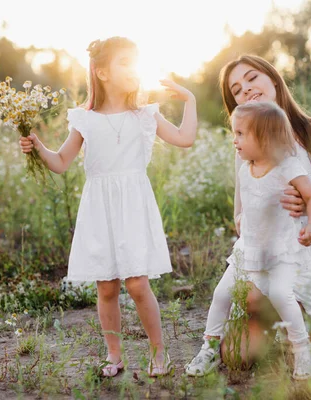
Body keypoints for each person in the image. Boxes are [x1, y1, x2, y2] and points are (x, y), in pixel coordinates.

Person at [18, 36, 197, 377]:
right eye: (125, 63)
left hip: (132, 204)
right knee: (107, 286)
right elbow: (60, 162)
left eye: (136, 61)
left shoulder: (145, 115)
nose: (134, 70)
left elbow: (185, 139)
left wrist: (189, 99)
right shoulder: (85, 119)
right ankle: (114, 355)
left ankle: (159, 353)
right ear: (101, 72)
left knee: (137, 283)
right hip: (99, 206)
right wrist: (37, 144)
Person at [219, 55, 311, 364]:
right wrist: (251, 220)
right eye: (237, 90)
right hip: (272, 259)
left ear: (273, 78)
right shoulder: (247, 150)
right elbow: (239, 216)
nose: (247, 89)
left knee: (305, 349)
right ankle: (271, 318)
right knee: (235, 356)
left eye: (252, 78)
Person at [185, 101, 311, 380]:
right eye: (233, 133)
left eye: (240, 134)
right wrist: (241, 219)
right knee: (220, 295)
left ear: (266, 137)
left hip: (280, 252)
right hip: (248, 250)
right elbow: (249, 204)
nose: (234, 140)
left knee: (282, 296)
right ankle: (209, 348)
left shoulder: (287, 167)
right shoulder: (245, 167)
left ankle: (302, 350)